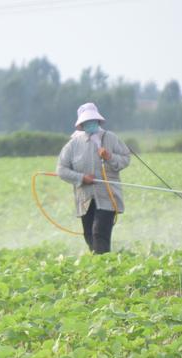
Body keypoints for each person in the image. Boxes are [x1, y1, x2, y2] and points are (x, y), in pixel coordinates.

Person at [56, 102, 131, 253]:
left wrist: (109, 156)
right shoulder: (73, 144)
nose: (90, 124)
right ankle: (100, 264)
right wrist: (81, 178)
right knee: (89, 235)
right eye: (87, 122)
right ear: (81, 124)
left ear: (98, 121)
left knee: (99, 233)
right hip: (85, 199)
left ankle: (103, 265)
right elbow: (61, 169)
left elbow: (125, 159)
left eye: (93, 121)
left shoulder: (110, 138)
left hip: (108, 196)